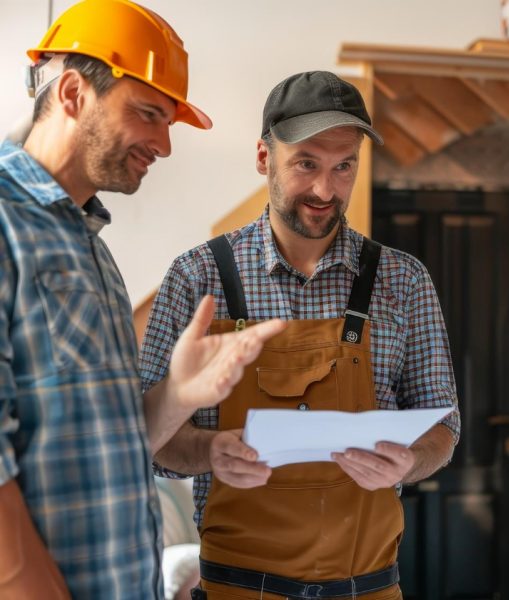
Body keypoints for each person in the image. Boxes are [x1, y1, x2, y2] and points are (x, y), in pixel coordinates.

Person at [0, 1, 285, 598]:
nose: (164, 143)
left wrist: (180, 395)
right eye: (149, 114)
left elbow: (112, 445)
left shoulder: (91, 245)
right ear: (74, 93)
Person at [141, 70, 461, 599]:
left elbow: (443, 424)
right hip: (235, 591)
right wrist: (210, 451)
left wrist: (411, 460)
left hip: (369, 589)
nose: (324, 189)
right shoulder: (197, 278)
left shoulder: (403, 280)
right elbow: (151, 443)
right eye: (306, 164)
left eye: (343, 167)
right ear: (264, 158)